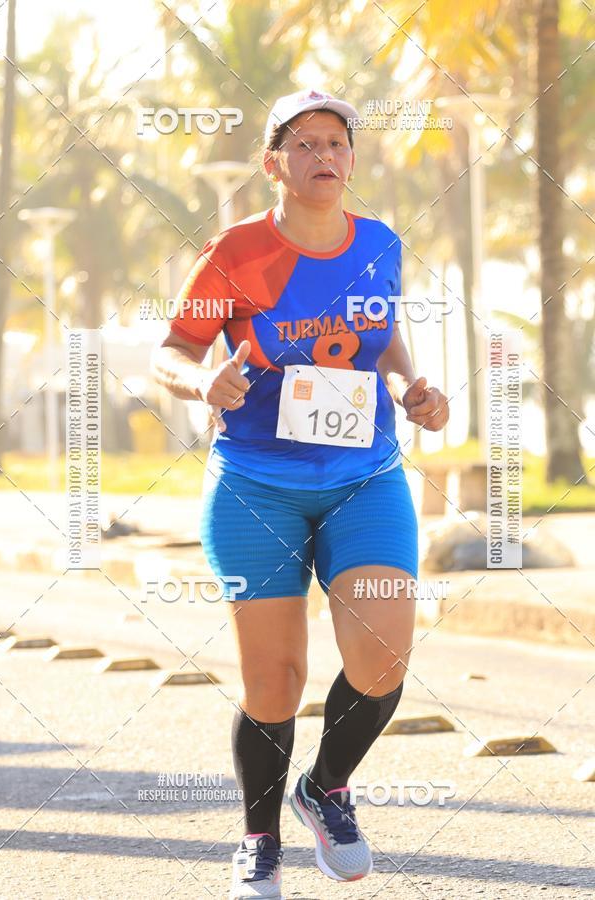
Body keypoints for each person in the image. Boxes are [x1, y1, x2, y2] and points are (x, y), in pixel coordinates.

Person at [151, 88, 449, 900]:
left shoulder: (379, 241)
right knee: (274, 680)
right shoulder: (234, 252)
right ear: (273, 161)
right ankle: (260, 839)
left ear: (353, 159)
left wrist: (410, 387)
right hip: (256, 486)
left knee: (383, 657)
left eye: (338, 144)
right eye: (307, 144)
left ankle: (326, 787)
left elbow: (383, 332)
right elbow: (170, 351)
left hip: (365, 478)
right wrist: (200, 382)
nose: (325, 158)